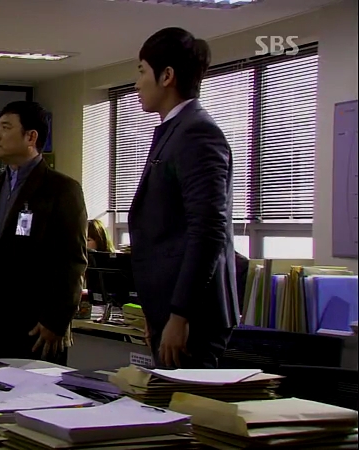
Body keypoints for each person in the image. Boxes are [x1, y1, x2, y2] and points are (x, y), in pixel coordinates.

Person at [128, 28, 239, 369]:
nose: (137, 84)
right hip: (168, 310)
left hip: (192, 318)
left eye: (142, 72)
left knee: (184, 403)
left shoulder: (196, 132)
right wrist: (157, 312)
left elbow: (208, 231)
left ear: (167, 76)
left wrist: (179, 314)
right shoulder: (174, 130)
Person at [0, 101, 87, 365]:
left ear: (31, 137)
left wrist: (56, 321)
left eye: (5, 127)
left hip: (38, 330)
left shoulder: (61, 189)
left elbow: (72, 262)